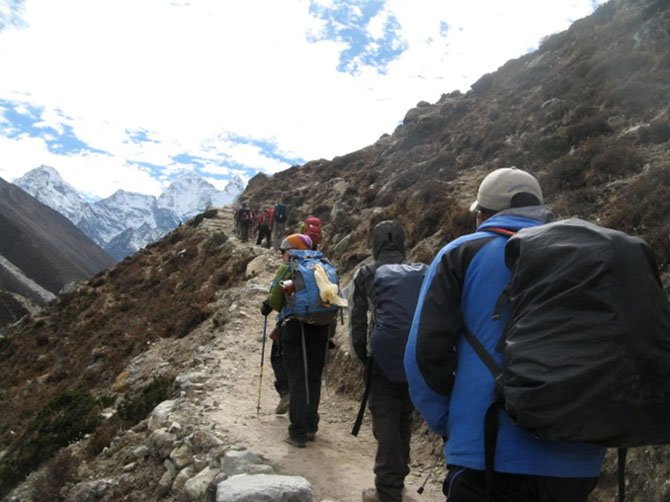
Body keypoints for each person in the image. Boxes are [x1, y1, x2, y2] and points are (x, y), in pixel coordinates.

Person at [403, 167, 605, 502]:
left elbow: (423, 355)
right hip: (577, 460)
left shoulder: (462, 252)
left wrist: (448, 423)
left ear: (482, 214)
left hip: (487, 453)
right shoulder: (585, 255)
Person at [350, 220, 418, 502]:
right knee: (404, 415)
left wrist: (362, 356)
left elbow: (357, 319)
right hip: (414, 359)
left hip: (381, 360)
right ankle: (398, 477)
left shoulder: (366, 273)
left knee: (386, 421)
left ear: (375, 244)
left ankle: (388, 490)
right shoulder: (418, 272)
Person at [261, 233, 330, 448]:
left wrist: (266, 305)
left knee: (298, 379)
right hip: (321, 327)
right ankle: (311, 426)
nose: (282, 255)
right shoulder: (322, 265)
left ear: (291, 251)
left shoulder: (290, 268)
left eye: (283, 251)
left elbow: (275, 300)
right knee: (314, 378)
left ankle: (298, 432)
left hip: (295, 327)